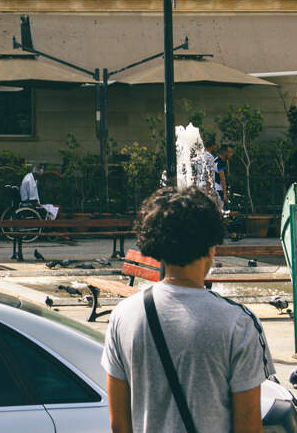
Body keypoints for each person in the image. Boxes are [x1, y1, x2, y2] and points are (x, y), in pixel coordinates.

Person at [103, 186, 268, 433]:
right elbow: (248, 425)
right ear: (211, 246)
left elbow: (119, 424)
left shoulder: (124, 316)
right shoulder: (239, 323)